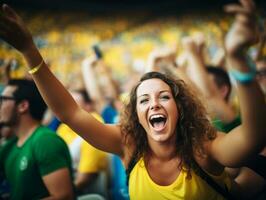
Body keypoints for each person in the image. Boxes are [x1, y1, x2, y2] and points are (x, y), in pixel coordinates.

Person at [0, 0, 265, 199]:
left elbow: (252, 137)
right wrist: (29, 51)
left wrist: (238, 59)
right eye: (143, 100)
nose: (154, 104)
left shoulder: (202, 148)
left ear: (180, 108)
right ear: (136, 114)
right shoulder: (128, 145)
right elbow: (71, 113)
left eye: (164, 96)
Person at [0, 79, 74, 199]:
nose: (0, 105)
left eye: (3, 99)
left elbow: (63, 197)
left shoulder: (45, 141)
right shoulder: (10, 145)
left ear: (23, 106)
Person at [56, 89, 108, 195]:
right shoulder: (63, 127)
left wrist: (61, 196)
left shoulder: (95, 125)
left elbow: (85, 178)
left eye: (73, 103)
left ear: (88, 106)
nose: (66, 106)